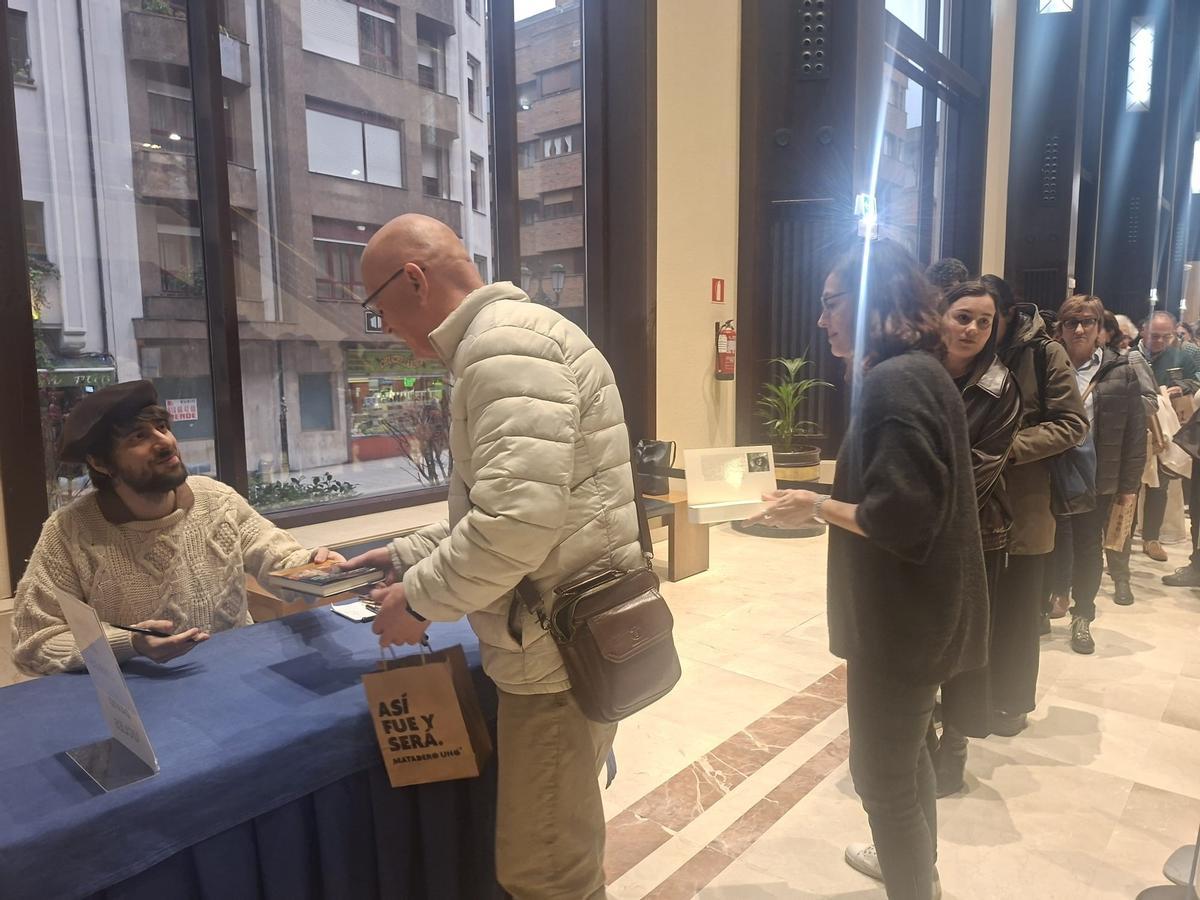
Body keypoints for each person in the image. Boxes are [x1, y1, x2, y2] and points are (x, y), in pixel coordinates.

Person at [338, 214, 640, 900]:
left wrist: (416, 600)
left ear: (413, 279)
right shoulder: (522, 336)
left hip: (555, 656)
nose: (389, 329)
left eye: (379, 310)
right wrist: (405, 554)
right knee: (562, 849)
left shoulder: (501, 350)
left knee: (545, 872)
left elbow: (514, 526)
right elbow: (526, 508)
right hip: (578, 636)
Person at [748, 239, 988, 900]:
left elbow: (903, 518)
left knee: (880, 776)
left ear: (872, 301)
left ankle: (915, 885)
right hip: (923, 612)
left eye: (832, 303)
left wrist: (815, 504)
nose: (823, 319)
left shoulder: (893, 381)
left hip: (902, 622)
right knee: (906, 759)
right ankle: (913, 866)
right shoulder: (922, 370)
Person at [12, 380, 342, 676]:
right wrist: (130, 644)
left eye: (162, 427)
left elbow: (276, 555)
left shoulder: (216, 499)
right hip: (145, 701)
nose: (165, 442)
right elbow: (34, 641)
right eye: (139, 437)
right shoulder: (71, 530)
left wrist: (314, 568)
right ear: (100, 463)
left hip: (241, 677)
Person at [981, 274, 1088, 736]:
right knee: (978, 608)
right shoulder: (969, 352)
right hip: (975, 504)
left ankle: (1011, 702)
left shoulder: (1044, 354)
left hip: (1025, 504)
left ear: (1008, 314)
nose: (976, 327)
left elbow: (1071, 424)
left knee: (1020, 611)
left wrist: (1007, 447)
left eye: (987, 318)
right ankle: (970, 694)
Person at [1054, 296, 1147, 652]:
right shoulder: (1049, 364)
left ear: (1100, 329)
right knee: (1053, 543)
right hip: (1053, 472)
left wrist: (1128, 486)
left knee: (1088, 547)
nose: (1079, 329)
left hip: (1097, 477)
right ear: (1060, 328)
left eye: (1087, 322)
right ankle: (1053, 600)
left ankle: (1083, 615)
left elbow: (1136, 433)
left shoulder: (1120, 371)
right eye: (1071, 322)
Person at [1139, 310, 1198, 561]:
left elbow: (1197, 377)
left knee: (1159, 484)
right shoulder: (1130, 355)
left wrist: (1184, 386)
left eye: (1166, 336)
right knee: (1129, 486)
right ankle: (1118, 539)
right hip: (1135, 426)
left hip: (1166, 425)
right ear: (1143, 331)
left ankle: (1151, 538)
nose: (1160, 341)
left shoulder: (1183, 355)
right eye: (1154, 336)